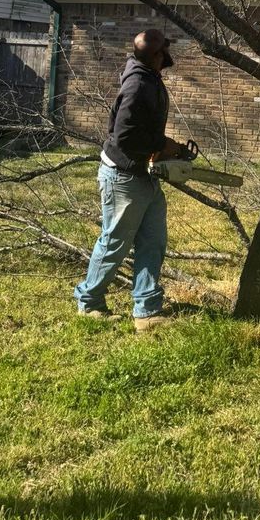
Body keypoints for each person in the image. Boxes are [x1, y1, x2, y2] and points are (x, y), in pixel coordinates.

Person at [73, 28, 183, 331]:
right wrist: (161, 145)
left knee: (153, 241)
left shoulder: (148, 76)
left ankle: (146, 310)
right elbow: (124, 136)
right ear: (157, 55)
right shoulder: (137, 84)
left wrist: (157, 149)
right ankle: (89, 302)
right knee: (115, 242)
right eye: (165, 52)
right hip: (122, 175)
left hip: (140, 173)